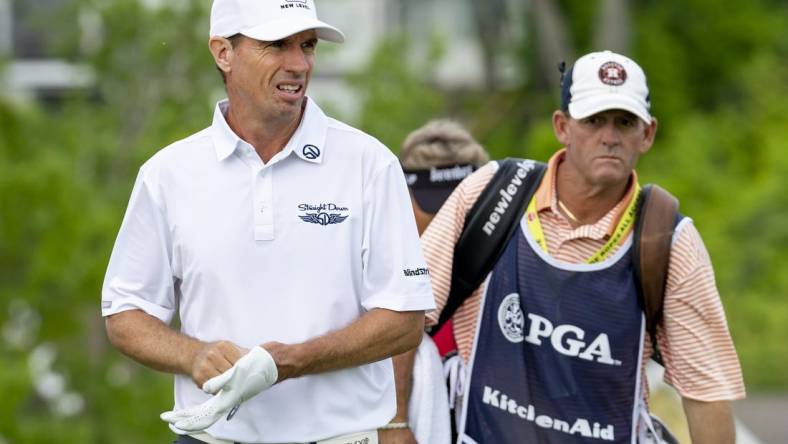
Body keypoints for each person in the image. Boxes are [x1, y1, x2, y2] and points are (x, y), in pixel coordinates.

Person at [100, 0, 435, 443]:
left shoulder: (369, 164)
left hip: (340, 437)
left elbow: (404, 318)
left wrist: (290, 360)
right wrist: (193, 355)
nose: (298, 64)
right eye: (276, 45)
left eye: (307, 46)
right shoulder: (168, 174)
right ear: (223, 52)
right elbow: (125, 312)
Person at [413, 51, 746, 443]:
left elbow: (706, 390)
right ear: (562, 126)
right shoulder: (493, 193)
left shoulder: (667, 238)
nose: (610, 136)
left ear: (648, 134)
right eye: (594, 120)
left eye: (625, 122)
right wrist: (397, 426)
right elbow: (406, 315)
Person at [383, 120, 489, 444]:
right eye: (437, 204)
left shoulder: (507, 258)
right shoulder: (377, 266)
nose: (449, 218)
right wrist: (396, 421)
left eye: (462, 202)